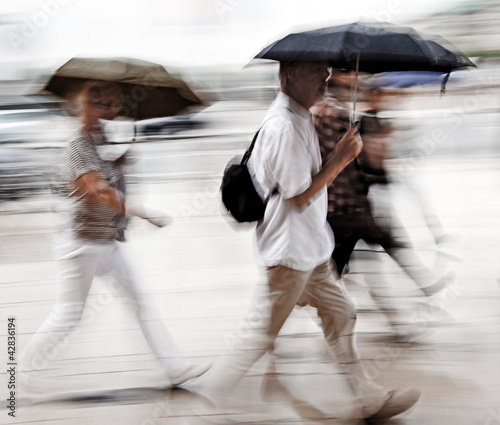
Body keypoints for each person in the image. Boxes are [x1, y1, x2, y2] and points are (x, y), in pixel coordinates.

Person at [205, 62, 420, 423]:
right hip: (290, 251)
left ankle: (368, 400)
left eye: (327, 72)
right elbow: (298, 196)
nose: (326, 79)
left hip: (311, 246)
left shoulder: (300, 116)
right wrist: (339, 160)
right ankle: (210, 398)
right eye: (315, 73)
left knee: (340, 315)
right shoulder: (284, 127)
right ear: (290, 76)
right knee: (263, 335)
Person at [19, 81, 210, 396]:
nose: (108, 108)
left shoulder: (100, 139)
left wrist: (122, 159)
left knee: (140, 303)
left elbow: (108, 174)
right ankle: (22, 372)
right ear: (82, 106)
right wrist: (143, 212)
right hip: (81, 244)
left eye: (111, 103)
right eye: (100, 102)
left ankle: (174, 367)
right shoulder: (76, 146)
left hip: (105, 241)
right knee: (68, 315)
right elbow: (100, 191)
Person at [312, 77, 455, 337]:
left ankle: (397, 314)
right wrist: (372, 140)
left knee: (364, 262)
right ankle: (399, 311)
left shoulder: (332, 112)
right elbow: (363, 162)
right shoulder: (340, 115)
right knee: (357, 265)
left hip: (346, 206)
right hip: (348, 207)